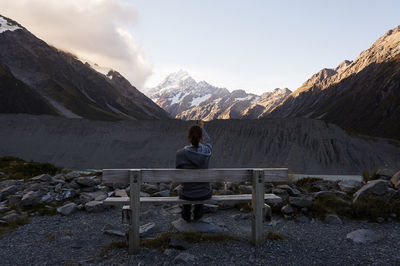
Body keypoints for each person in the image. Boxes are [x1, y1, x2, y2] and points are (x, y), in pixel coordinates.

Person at [175, 120, 212, 222]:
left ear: (189, 137)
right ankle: (198, 214)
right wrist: (201, 128)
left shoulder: (180, 153)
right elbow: (209, 142)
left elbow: (178, 172)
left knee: (186, 188)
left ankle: (186, 214)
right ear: (201, 137)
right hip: (204, 192)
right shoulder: (207, 152)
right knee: (200, 187)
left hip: (186, 193)